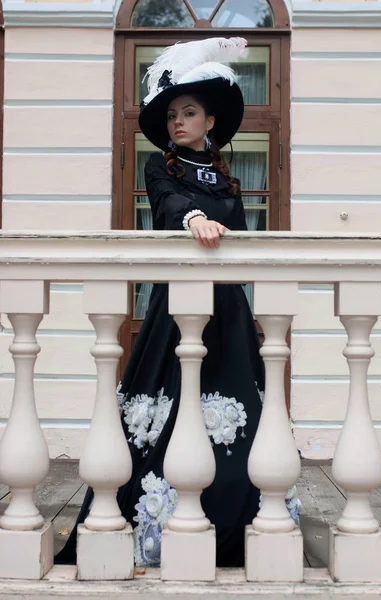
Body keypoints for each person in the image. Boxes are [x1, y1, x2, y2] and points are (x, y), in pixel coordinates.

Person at [56, 36, 300, 569]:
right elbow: (168, 204)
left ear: (210, 120)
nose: (178, 123)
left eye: (188, 113)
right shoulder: (160, 169)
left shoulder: (229, 176)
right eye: (172, 115)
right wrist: (193, 220)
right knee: (156, 420)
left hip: (228, 313)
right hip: (177, 309)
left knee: (242, 418)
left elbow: (236, 232)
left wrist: (218, 228)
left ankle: (242, 526)